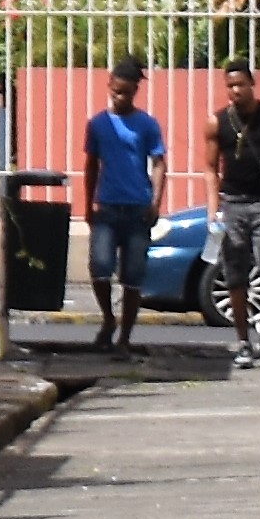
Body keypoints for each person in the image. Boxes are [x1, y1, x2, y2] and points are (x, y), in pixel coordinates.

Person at [205, 79, 260, 364]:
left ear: (251, 84)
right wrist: (213, 209)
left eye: (240, 84)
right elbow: (210, 168)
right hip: (232, 204)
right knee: (235, 274)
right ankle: (243, 341)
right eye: (229, 85)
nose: (235, 90)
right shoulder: (216, 122)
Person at [80, 68, 164, 350]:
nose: (120, 96)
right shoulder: (98, 124)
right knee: (100, 267)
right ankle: (107, 318)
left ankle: (125, 338)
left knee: (133, 275)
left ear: (135, 92)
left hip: (138, 209)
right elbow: (91, 164)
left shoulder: (147, 125)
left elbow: (159, 163)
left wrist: (156, 201)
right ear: (109, 86)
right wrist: (88, 202)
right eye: (116, 91)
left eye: (126, 92)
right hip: (107, 207)